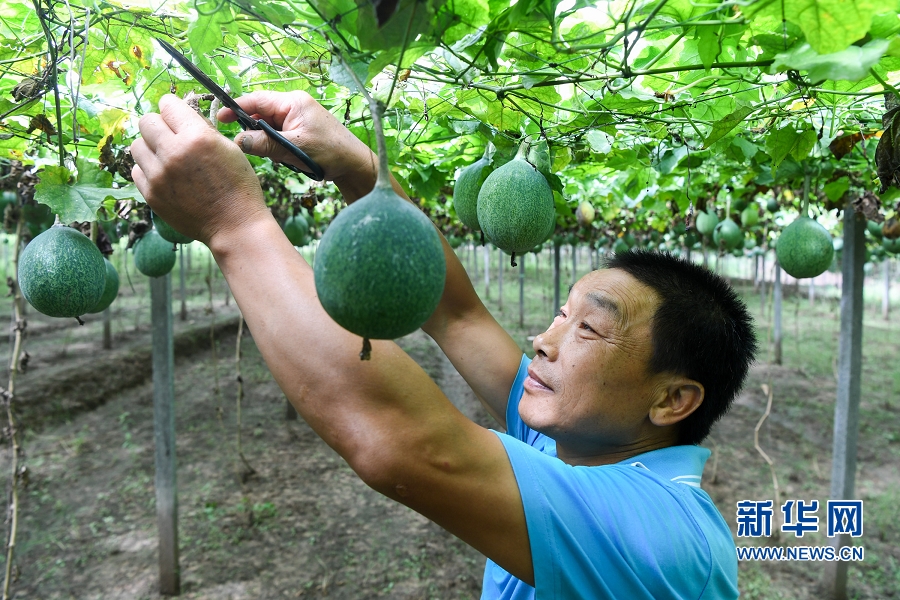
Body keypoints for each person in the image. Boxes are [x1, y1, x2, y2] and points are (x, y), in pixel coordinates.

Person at [131, 91, 757, 599]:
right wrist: (359, 167)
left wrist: (233, 221)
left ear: (673, 399)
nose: (542, 341)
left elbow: (404, 443)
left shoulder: (666, 536)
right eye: (559, 315)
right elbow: (454, 312)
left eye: (588, 329)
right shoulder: (574, 441)